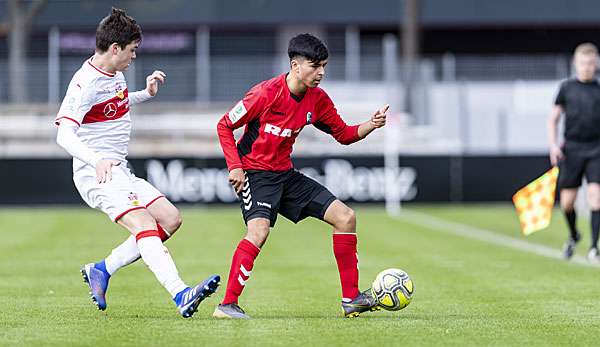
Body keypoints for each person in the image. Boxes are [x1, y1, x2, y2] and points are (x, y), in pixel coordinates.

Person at [54, 8, 219, 318]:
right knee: (144, 224)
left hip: (120, 170)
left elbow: (109, 106)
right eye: (132, 50)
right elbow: (64, 134)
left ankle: (102, 269)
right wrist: (96, 159)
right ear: (115, 48)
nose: (134, 57)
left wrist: (144, 93)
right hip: (97, 173)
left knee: (170, 219)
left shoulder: (114, 75)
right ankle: (180, 293)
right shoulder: (84, 83)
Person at [214, 33, 388, 319]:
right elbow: (224, 125)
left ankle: (352, 298)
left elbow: (343, 135)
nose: (321, 73)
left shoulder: (317, 99)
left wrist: (371, 124)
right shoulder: (264, 94)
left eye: (324, 66)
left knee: (346, 218)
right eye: (314, 66)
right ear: (295, 65)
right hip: (256, 174)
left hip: (286, 174)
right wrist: (235, 166)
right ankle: (227, 305)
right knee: (258, 232)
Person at [549, 42, 600, 263]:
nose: (587, 67)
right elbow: (553, 119)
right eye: (583, 63)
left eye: (591, 62)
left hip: (596, 149)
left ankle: (593, 248)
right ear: (575, 63)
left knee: (596, 197)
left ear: (596, 63)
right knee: (567, 203)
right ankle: (573, 235)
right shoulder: (566, 88)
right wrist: (553, 145)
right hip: (572, 150)